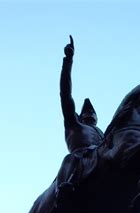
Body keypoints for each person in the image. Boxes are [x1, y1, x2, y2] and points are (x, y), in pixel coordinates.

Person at [56, 36, 104, 202]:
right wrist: (68, 61)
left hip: (101, 159)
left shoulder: (103, 133)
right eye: (87, 112)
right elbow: (65, 94)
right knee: (71, 159)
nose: (90, 113)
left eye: (93, 112)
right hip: (80, 158)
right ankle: (64, 188)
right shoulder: (73, 123)